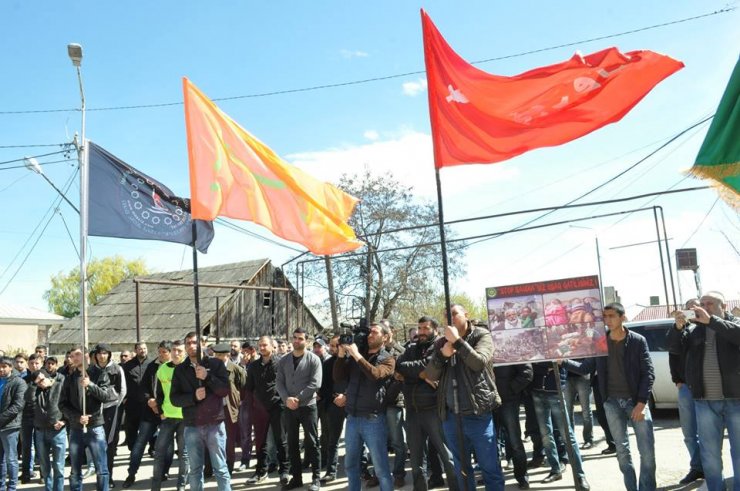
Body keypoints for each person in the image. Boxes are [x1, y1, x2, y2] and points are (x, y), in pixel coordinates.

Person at [570, 302, 654, 491]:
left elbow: (648, 373)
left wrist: (641, 403)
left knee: (647, 453)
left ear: (622, 317)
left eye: (611, 316)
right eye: (604, 317)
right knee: (622, 452)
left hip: (636, 402)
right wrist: (563, 362)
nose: (607, 320)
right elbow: (586, 367)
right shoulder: (600, 342)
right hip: (612, 403)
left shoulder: (637, 340)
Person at [423, 304, 505, 491]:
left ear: (466, 315)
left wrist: (458, 342)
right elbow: (430, 375)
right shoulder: (441, 342)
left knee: (489, 467)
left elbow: (478, 363)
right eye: (447, 316)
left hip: (478, 413)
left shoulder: (481, 335)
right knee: (462, 469)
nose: (450, 319)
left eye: (454, 314)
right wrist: (443, 355)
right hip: (451, 416)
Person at [667, 291, 740, 491]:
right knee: (710, 453)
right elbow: (674, 349)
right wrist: (677, 328)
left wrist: (712, 322)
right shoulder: (694, 330)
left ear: (723, 306)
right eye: (703, 304)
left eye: (710, 303)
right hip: (705, 401)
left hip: (736, 400)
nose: (704, 307)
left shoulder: (734, 324)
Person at [396, 316, 459, 491]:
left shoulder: (438, 346)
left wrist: (414, 372)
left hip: (433, 410)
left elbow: (429, 365)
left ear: (435, 330)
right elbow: (400, 365)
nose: (422, 332)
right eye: (420, 328)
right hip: (413, 411)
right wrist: (422, 375)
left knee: (447, 456)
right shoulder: (411, 348)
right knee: (416, 461)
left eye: (426, 328)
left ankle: (457, 487)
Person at [333, 322, 395, 491]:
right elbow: (338, 377)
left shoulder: (388, 359)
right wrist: (340, 354)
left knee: (381, 468)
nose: (370, 335)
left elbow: (375, 375)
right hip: (352, 418)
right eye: (369, 333)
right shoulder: (357, 355)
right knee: (350, 466)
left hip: (373, 420)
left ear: (385, 337)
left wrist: (356, 355)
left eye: (375, 333)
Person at [170, 332, 231, 491]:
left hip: (214, 424)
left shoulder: (216, 364)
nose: (191, 346)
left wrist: (207, 376)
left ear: (202, 344)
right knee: (196, 470)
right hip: (192, 425)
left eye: (194, 342)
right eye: (188, 343)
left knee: (220, 468)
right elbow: (174, 399)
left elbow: (225, 390)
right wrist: (193, 397)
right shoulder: (180, 370)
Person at [59, 345, 117, 491]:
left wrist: (90, 384)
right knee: (75, 470)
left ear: (86, 355)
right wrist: (77, 417)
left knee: (101, 468)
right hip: (76, 428)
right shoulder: (69, 379)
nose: (75, 358)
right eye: (72, 356)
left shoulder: (99, 374)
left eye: (78, 354)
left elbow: (106, 396)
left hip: (95, 426)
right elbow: (62, 404)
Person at [276, 328, 323, 491]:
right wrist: (286, 399)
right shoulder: (283, 360)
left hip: (308, 407)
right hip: (289, 408)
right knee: (292, 443)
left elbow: (315, 383)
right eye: (294, 338)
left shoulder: (314, 360)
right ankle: (296, 479)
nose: (297, 341)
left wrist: (298, 398)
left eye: (300, 338)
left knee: (312, 442)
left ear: (306, 341)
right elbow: (279, 383)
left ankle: (316, 479)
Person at [123, 341, 169, 488]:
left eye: (164, 352)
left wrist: (161, 407)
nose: (162, 354)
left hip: (168, 413)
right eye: (160, 351)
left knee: (167, 445)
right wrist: (149, 399)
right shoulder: (152, 366)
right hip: (149, 411)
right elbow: (144, 387)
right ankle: (131, 473)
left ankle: (164, 472)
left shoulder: (176, 367)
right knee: (139, 443)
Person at [245, 335, 290, 485]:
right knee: (260, 442)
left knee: (280, 440)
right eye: (260, 345)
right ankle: (260, 471)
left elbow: (286, 384)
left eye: (265, 345)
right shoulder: (253, 366)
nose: (262, 348)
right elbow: (249, 389)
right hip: (259, 408)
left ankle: (284, 470)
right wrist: (252, 407)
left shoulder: (281, 363)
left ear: (272, 346)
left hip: (278, 406)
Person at [669, 299, 704, 485]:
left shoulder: (708, 325)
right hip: (686, 387)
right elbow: (673, 352)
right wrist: (678, 380)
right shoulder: (681, 329)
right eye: (689, 307)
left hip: (707, 387)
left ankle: (711, 467)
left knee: (709, 432)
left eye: (696, 306)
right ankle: (697, 467)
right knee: (689, 433)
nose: (692, 309)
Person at [152, 339, 188, 491]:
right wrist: (160, 412)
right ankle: (155, 487)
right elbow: (159, 394)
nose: (176, 353)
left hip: (185, 418)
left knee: (184, 455)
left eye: (180, 350)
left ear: (184, 352)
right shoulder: (162, 369)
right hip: (167, 418)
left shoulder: (190, 369)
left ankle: (180, 486)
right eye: (174, 350)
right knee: (159, 453)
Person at [494, 362, 534, 490]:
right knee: (489, 444)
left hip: (508, 401)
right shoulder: (481, 343)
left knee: (515, 441)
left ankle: (522, 476)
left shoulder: (510, 345)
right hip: (488, 402)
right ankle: (493, 477)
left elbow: (527, 373)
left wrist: (510, 390)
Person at [94, 343, 127, 489]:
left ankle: (109, 476)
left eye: (105, 353)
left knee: (109, 443)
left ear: (109, 354)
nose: (102, 356)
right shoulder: (92, 370)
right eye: (99, 353)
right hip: (95, 411)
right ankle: (99, 475)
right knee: (96, 444)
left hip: (112, 409)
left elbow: (122, 390)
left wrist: (114, 403)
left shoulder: (117, 369)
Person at [26, 369, 66, 491]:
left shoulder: (60, 387)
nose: (41, 383)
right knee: (44, 466)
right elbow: (27, 399)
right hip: (40, 431)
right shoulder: (35, 390)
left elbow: (70, 405)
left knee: (58, 466)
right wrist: (34, 384)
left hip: (57, 431)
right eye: (38, 382)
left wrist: (64, 421)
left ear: (49, 378)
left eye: (43, 379)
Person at [212, 343, 247, 475]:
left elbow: (243, 386)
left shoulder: (236, 369)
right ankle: (213, 467)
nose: (218, 357)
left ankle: (229, 466)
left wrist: (236, 400)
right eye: (216, 355)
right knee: (214, 440)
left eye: (220, 355)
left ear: (227, 355)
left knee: (229, 440)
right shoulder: (211, 368)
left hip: (229, 408)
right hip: (214, 409)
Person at [381, 321, 408, 488]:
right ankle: (381, 474)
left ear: (392, 331)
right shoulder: (376, 351)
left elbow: (403, 375)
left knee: (398, 441)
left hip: (394, 401)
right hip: (376, 402)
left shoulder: (401, 351)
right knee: (378, 442)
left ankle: (399, 473)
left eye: (387, 329)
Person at [317, 335, 346, 484]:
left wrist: (346, 396)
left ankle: (363, 469)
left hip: (352, 403)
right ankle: (330, 471)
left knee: (360, 439)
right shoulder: (328, 363)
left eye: (335, 346)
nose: (332, 348)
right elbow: (323, 387)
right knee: (332, 440)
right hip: (333, 404)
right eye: (331, 345)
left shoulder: (352, 361)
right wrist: (334, 397)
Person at [0, 356, 27, 490]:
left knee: (11, 459)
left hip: (10, 426)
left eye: (4, 366)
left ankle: (12, 486)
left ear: (11, 367)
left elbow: (17, 406)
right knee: (0, 460)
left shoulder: (19, 382)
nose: (1, 369)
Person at [121, 342, 153, 453]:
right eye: (140, 349)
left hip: (148, 401)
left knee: (150, 426)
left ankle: (152, 448)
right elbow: (122, 382)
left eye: (144, 348)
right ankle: (133, 449)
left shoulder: (152, 364)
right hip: (132, 402)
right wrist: (124, 398)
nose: (143, 350)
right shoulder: (128, 365)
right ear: (135, 350)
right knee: (131, 427)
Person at [21, 353, 42, 483]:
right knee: (26, 447)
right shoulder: (24, 380)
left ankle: (43, 474)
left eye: (37, 363)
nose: (34, 366)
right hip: (26, 416)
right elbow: (24, 397)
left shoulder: (46, 378)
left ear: (41, 363)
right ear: (28, 364)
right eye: (32, 363)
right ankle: (26, 474)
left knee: (41, 447)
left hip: (41, 416)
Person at [565, 370, 594, 450]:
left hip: (583, 376)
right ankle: (570, 441)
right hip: (567, 376)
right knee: (567, 411)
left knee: (586, 411)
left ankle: (588, 439)